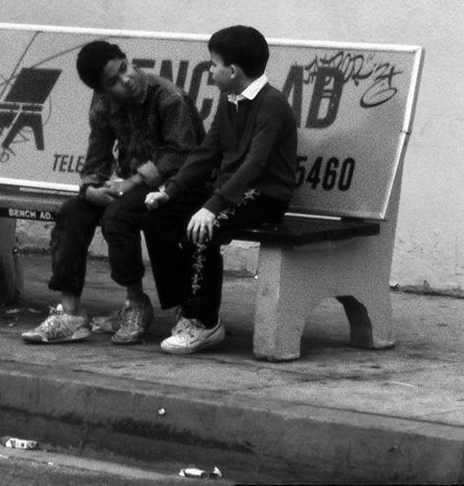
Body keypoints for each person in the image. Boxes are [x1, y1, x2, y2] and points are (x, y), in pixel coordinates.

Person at [21, 40, 204, 346]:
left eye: (125, 69)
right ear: (102, 89)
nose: (126, 80)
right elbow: (97, 155)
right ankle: (71, 313)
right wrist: (90, 188)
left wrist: (132, 182)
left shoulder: (168, 97)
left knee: (118, 216)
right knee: (72, 212)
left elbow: (181, 154)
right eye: (114, 82)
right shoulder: (103, 105)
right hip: (131, 185)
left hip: (174, 186)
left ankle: (136, 304)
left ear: (128, 60)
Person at [145, 25, 298, 355]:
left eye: (213, 64)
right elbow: (207, 152)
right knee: (159, 215)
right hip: (230, 191)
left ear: (233, 70)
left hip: (264, 195)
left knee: (202, 228)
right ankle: (182, 306)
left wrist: (212, 206)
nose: (210, 70)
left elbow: (255, 165)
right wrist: (170, 191)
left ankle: (203, 322)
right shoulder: (231, 101)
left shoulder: (271, 104)